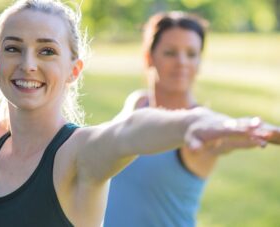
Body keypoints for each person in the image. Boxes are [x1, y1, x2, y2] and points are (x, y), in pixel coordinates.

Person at [0, 2, 278, 227]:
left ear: (74, 69)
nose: (27, 64)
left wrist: (198, 122)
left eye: (47, 51)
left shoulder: (79, 153)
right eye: (13, 48)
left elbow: (130, 132)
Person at [104, 11, 280, 227]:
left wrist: (265, 132)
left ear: (199, 62)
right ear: (148, 57)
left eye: (191, 54)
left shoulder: (206, 128)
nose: (181, 62)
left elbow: (228, 127)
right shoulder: (137, 103)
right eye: (170, 52)